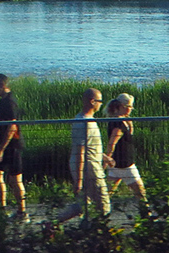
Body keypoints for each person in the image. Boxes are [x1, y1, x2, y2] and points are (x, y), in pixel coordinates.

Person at [59, 87, 112, 221]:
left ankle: (53, 223)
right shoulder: (83, 122)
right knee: (104, 204)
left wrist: (104, 157)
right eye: (100, 101)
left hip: (91, 164)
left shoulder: (88, 120)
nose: (101, 104)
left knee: (83, 204)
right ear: (93, 101)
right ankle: (101, 230)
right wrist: (79, 181)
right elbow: (80, 151)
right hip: (90, 168)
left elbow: (90, 147)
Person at [0, 73, 27, 221]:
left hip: (13, 146)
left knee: (15, 179)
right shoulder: (2, 101)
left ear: (2, 85)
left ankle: (22, 212)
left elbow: (12, 127)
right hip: (5, 146)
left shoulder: (10, 102)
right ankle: (3, 209)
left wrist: (1, 149)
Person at [105, 93, 148, 209]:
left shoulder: (122, 121)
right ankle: (147, 214)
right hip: (124, 164)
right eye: (130, 107)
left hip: (116, 163)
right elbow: (112, 143)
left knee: (106, 194)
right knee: (140, 192)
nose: (131, 109)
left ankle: (97, 214)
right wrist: (106, 159)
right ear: (123, 106)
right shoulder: (118, 124)